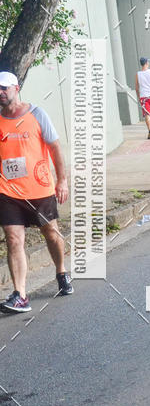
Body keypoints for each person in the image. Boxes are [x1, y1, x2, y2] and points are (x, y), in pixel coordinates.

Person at [0, 72, 72, 312]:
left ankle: (61, 271)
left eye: (4, 88)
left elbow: (55, 147)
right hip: (8, 191)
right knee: (13, 238)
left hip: (39, 188)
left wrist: (62, 181)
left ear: (16, 88)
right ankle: (20, 294)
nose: (0, 92)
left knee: (51, 234)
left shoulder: (37, 114)